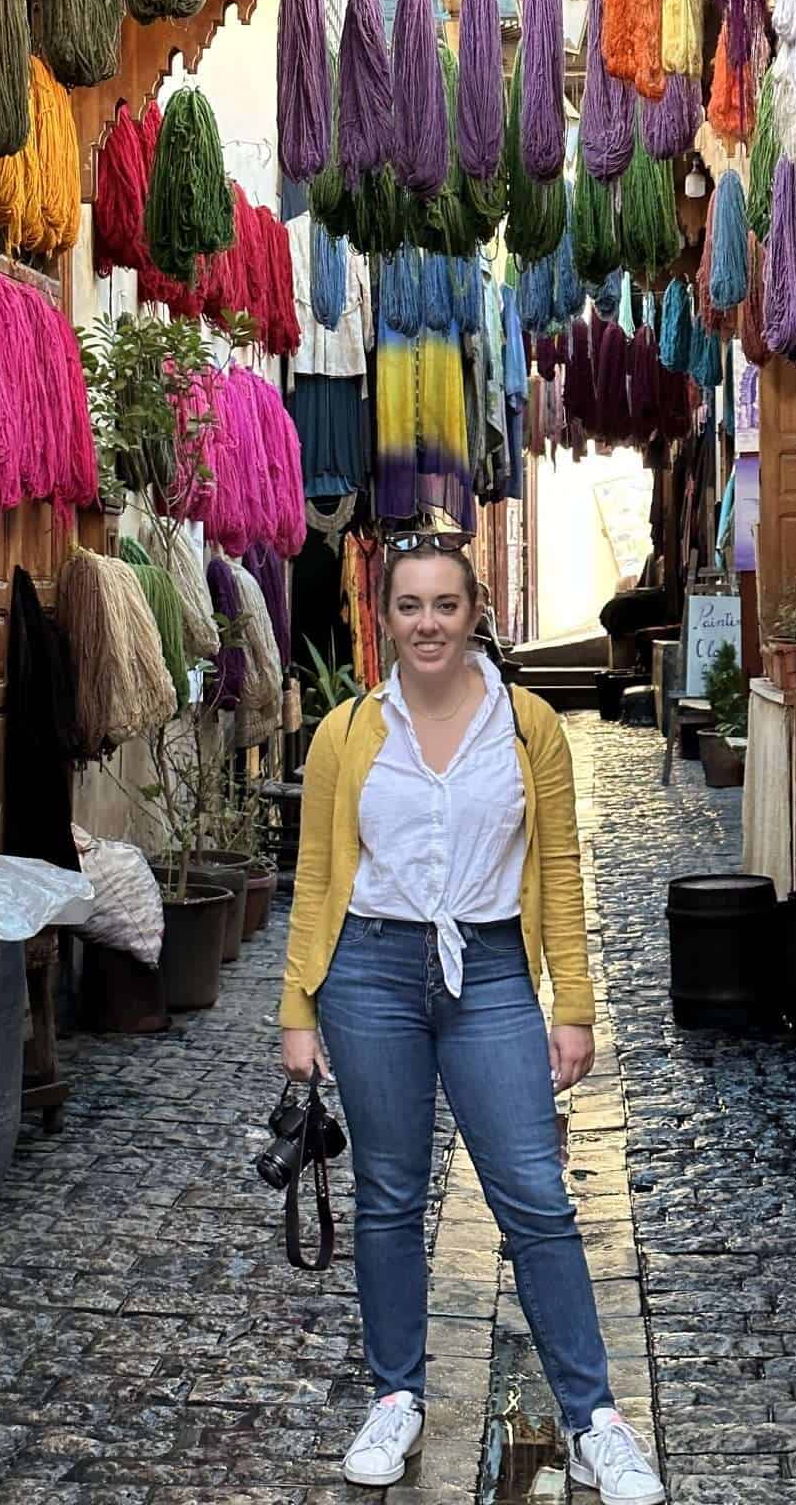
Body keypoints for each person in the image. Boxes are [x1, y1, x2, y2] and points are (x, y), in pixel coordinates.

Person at [280, 532, 662, 1505]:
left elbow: (561, 869)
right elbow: (317, 877)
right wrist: (297, 1010)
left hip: (490, 972)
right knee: (389, 1196)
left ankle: (594, 1421)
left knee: (534, 1195)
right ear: (384, 618)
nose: (428, 624)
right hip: (369, 973)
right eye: (409, 606)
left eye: (445, 605)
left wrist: (573, 1006)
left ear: (474, 613)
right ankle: (395, 1397)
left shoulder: (528, 728)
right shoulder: (345, 734)